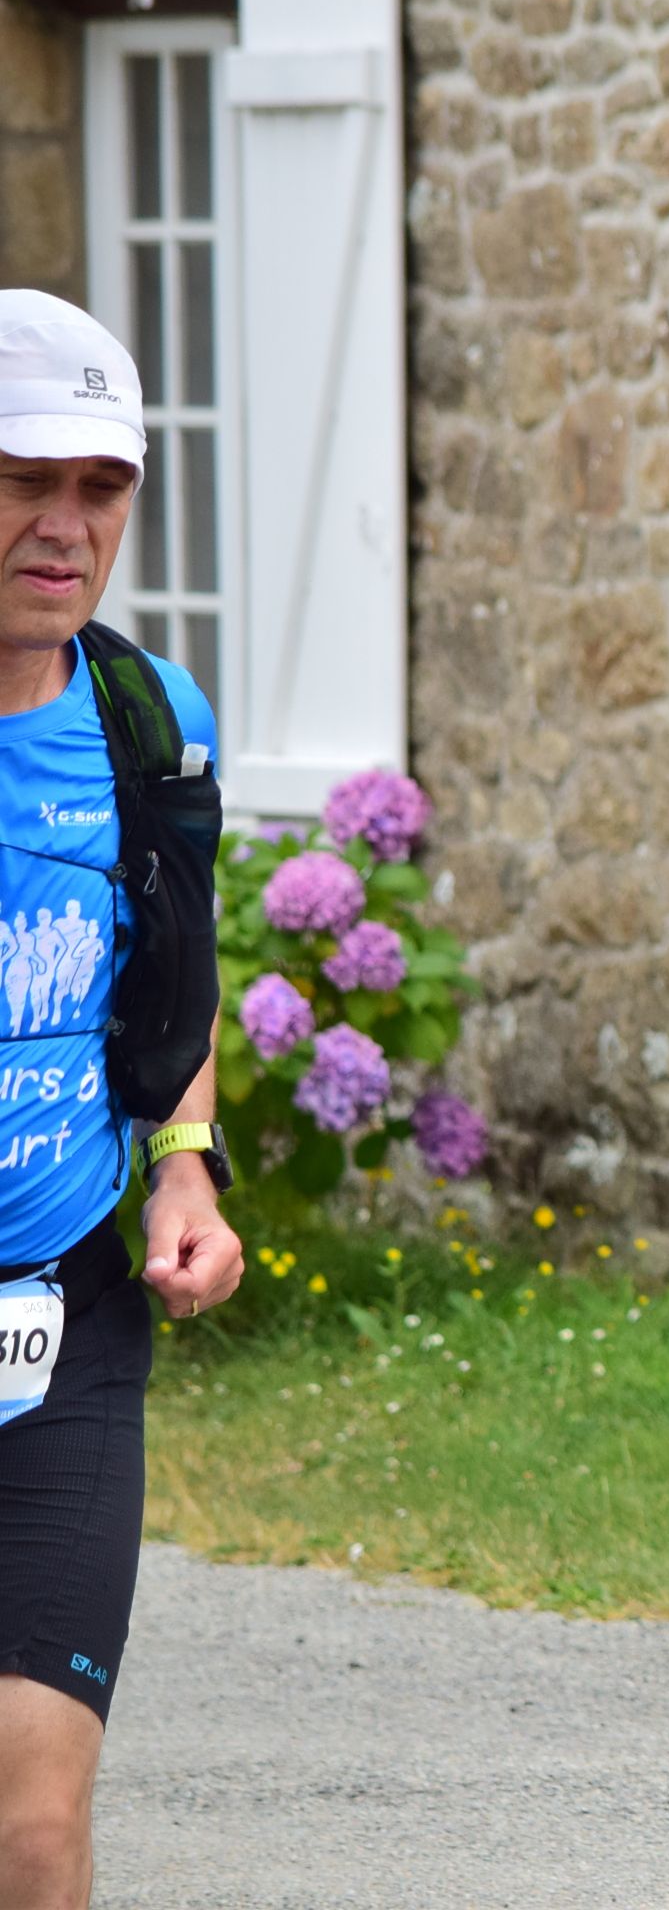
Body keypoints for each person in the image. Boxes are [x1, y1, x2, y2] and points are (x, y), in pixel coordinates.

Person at [0, 289, 242, 1910]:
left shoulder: (151, 723)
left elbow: (173, 983)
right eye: (25, 478)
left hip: (63, 1324)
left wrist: (185, 1166)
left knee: (31, 1825)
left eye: (101, 487)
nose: (64, 524)